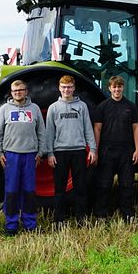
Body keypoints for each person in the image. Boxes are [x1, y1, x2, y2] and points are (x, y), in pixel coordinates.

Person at [0, 80, 46, 234]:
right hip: (11, 155)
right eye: (15, 90)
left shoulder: (34, 108)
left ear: (26, 91)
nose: (18, 93)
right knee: (11, 190)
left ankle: (30, 224)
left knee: (29, 190)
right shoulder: (4, 109)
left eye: (21, 90)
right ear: (11, 92)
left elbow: (41, 133)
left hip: (30, 155)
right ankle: (11, 225)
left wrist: (40, 152)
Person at [46, 75, 97, 226]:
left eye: (69, 87)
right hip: (60, 152)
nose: (66, 90)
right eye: (64, 87)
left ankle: (81, 218)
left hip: (79, 151)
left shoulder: (81, 106)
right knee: (60, 188)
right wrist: (50, 153)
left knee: (80, 187)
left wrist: (92, 149)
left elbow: (88, 128)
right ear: (59, 88)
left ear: (74, 88)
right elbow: (49, 132)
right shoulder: (53, 108)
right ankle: (59, 219)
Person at [93, 76, 138, 222]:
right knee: (104, 184)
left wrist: (137, 149)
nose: (117, 89)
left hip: (126, 151)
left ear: (123, 88)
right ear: (109, 88)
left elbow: (136, 128)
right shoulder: (102, 107)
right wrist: (95, 150)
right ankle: (101, 214)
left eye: (119, 87)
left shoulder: (130, 106)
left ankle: (128, 214)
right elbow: (97, 129)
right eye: (114, 87)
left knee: (127, 184)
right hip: (107, 151)